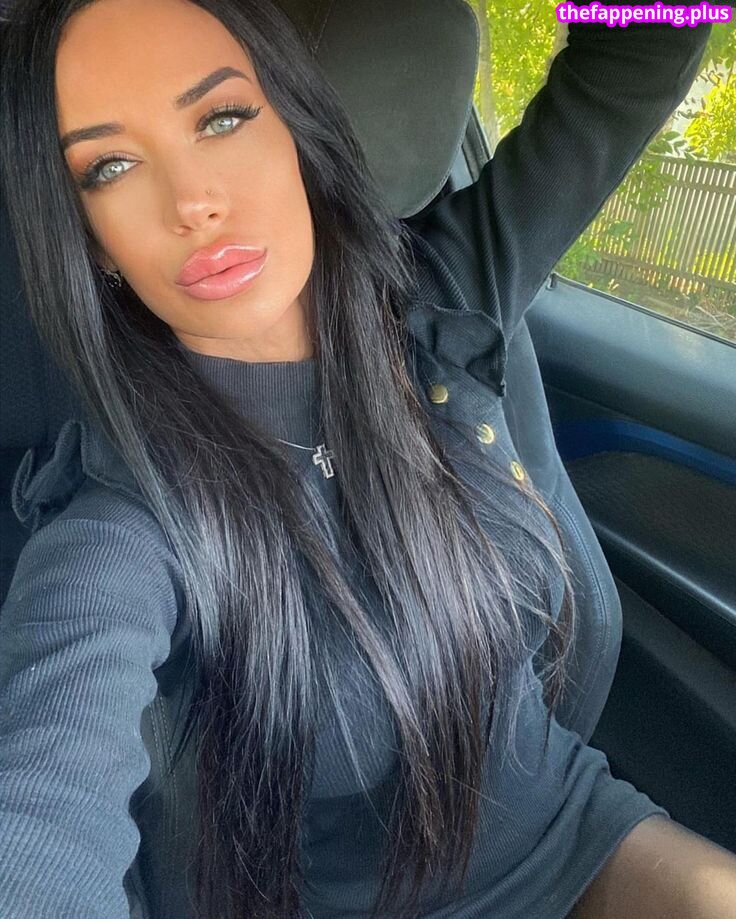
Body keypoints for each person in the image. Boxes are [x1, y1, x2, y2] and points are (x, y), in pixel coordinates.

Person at [0, 0, 734, 917]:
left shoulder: (442, 295)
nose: (192, 202)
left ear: (295, 130)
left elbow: (649, 44)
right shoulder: (123, 521)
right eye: (110, 166)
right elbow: (43, 809)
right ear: (92, 240)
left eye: (221, 117)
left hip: (573, 829)